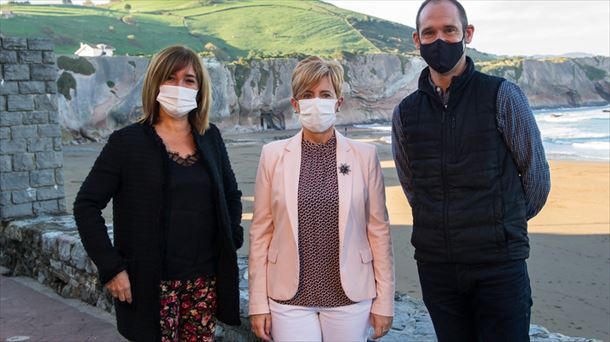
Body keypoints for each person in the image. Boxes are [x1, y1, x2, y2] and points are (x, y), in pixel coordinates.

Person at [391, 1, 551, 341]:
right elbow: (412, 187)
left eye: (449, 30)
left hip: (499, 267)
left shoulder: (503, 96)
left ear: (467, 34)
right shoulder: (406, 113)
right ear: (416, 41)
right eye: (429, 33)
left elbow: (536, 177)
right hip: (437, 269)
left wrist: (502, 224)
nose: (439, 41)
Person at [73, 45, 243, 341]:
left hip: (203, 282)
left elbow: (230, 193)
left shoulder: (210, 137)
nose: (180, 86)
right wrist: (112, 268)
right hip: (151, 283)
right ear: (155, 85)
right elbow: (86, 205)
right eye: (170, 78)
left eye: (189, 80)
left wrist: (233, 236)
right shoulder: (126, 143)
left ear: (200, 88)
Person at [248, 56, 395, 342]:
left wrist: (384, 302)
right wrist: (257, 303)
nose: (316, 102)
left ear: (338, 102)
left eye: (325, 95)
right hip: (288, 300)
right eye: (307, 95)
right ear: (295, 104)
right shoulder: (273, 156)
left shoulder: (365, 157)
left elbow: (379, 231)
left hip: (350, 298)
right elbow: (260, 233)